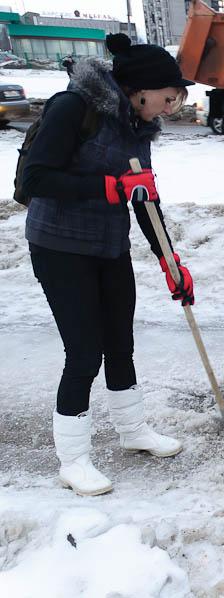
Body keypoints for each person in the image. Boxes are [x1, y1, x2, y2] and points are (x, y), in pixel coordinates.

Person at [22, 34, 194, 496]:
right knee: (84, 352)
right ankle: (73, 460)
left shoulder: (138, 127)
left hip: (108, 246)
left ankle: (132, 429)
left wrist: (170, 262)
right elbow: (38, 176)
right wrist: (107, 189)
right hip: (60, 247)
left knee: (120, 342)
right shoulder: (73, 108)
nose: (170, 107)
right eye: (168, 97)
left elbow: (144, 199)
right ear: (141, 87)